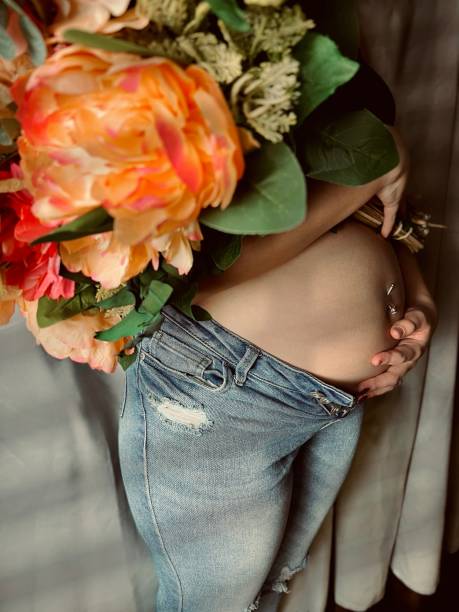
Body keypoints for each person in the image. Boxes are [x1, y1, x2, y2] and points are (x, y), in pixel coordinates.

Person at [118, 126, 437, 612]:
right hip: (222, 393)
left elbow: (380, 219)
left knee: (268, 589)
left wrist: (417, 306)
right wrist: (369, 172)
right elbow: (196, 278)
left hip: (333, 403)